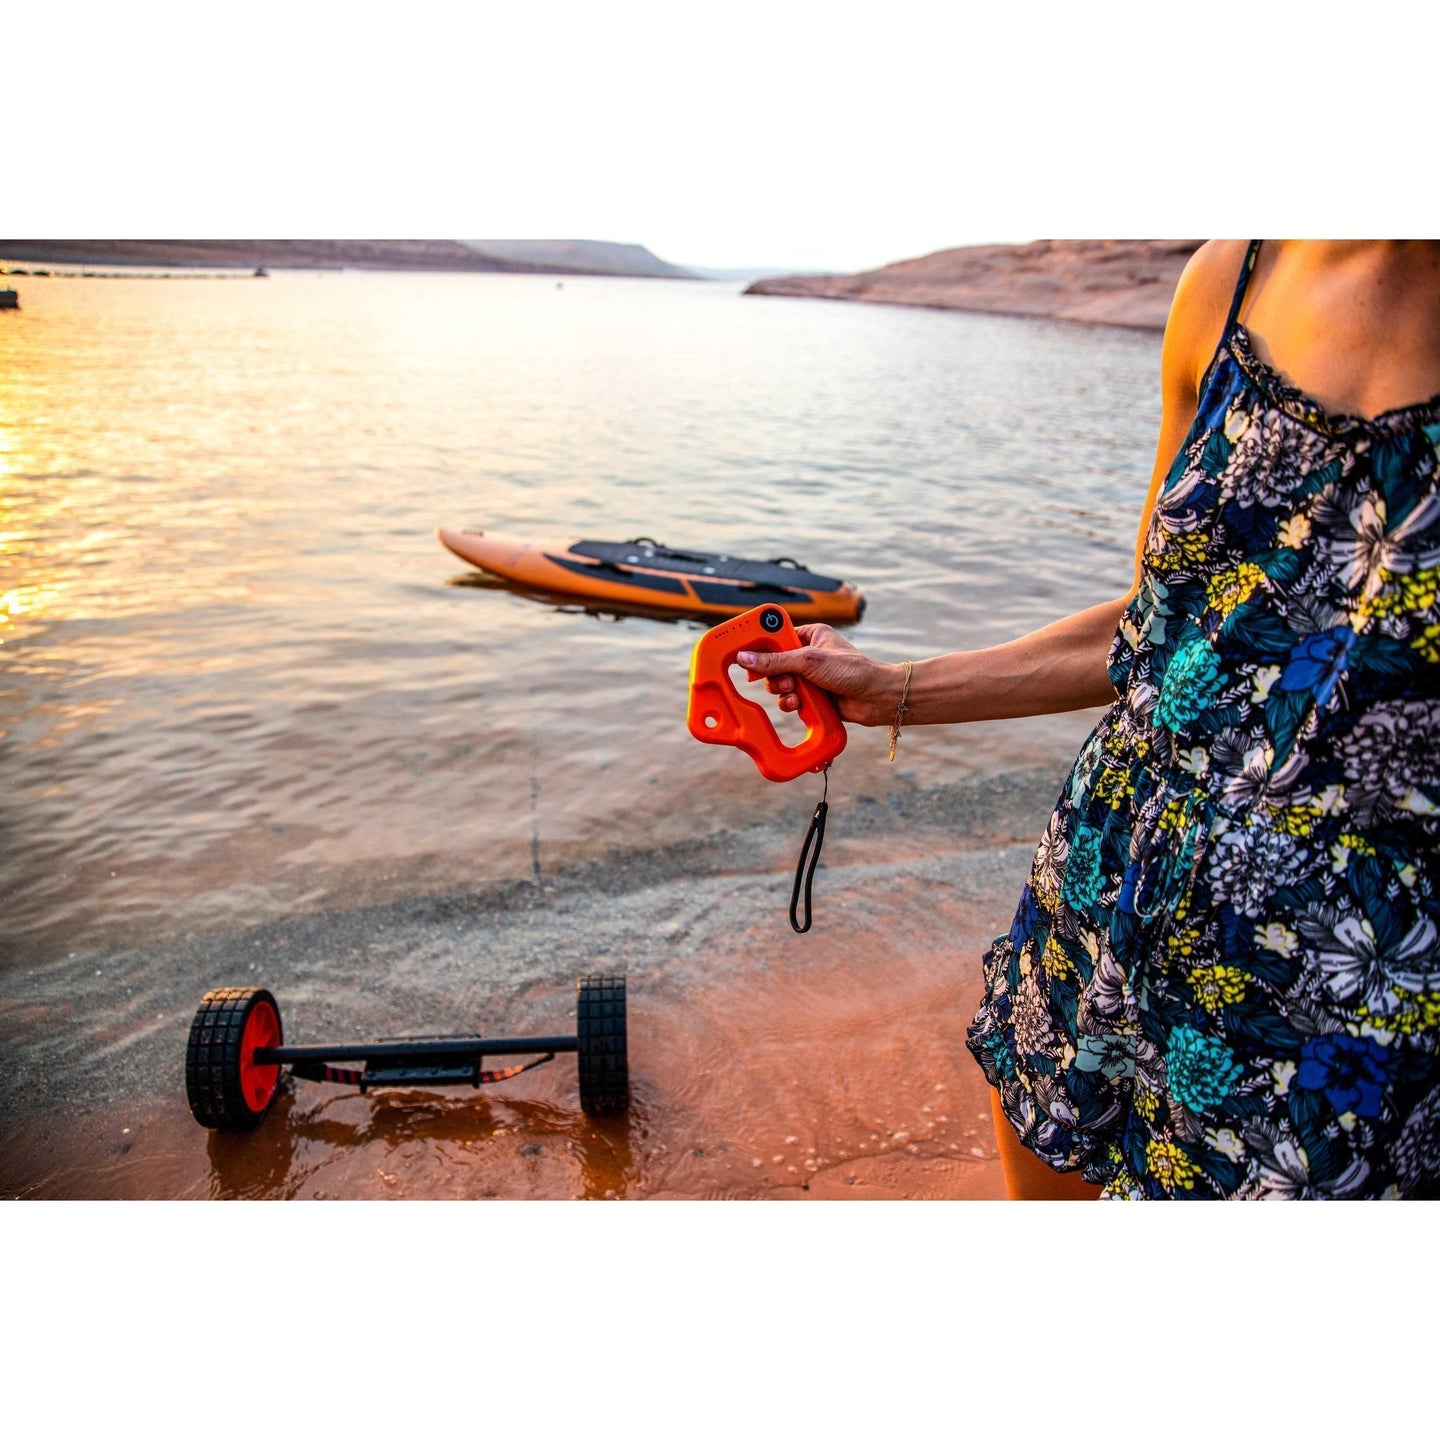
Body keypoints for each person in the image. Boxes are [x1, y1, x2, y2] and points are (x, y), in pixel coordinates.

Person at [739, 240, 1440, 1199]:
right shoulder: (1229, 280)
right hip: (1104, 885)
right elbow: (1163, 622)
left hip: (1347, 984)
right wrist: (891, 688)